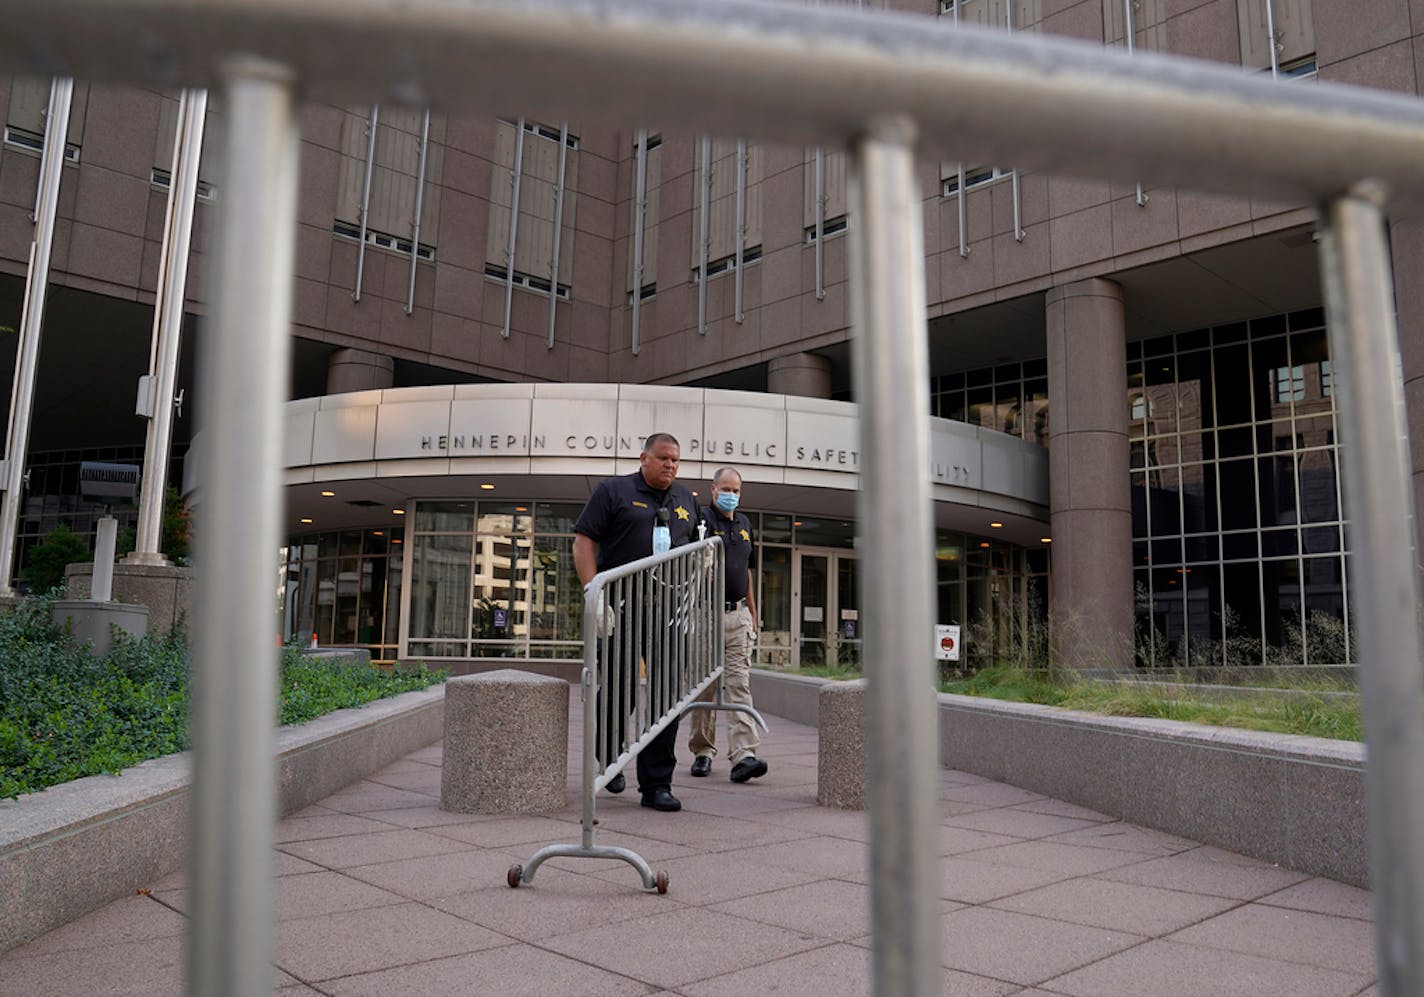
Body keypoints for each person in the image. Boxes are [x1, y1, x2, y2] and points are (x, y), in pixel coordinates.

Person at [572, 432, 699, 812]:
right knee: (618, 689)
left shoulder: (686, 501)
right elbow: (583, 542)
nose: (670, 465)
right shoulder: (613, 491)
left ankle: (656, 784)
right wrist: (593, 594)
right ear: (643, 458)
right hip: (621, 607)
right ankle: (609, 756)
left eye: (675, 460)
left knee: (666, 696)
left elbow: (696, 545)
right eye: (663, 458)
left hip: (668, 610)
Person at [687, 466, 767, 783]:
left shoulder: (745, 524)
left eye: (736, 490)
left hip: (738, 617)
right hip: (706, 614)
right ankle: (703, 752)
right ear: (713, 489)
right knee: (704, 687)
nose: (731, 495)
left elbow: (746, 570)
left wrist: (753, 610)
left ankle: (744, 755)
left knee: (738, 684)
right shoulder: (702, 521)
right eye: (726, 489)